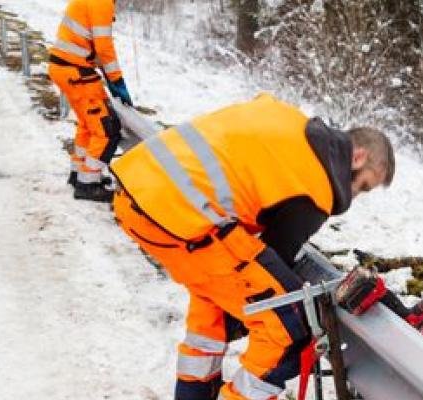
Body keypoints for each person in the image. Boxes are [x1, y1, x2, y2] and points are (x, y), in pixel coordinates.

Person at [110, 93, 395, 400]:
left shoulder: (289, 120)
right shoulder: (318, 185)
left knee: (216, 300)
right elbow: (275, 256)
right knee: (290, 326)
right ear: (358, 157)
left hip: (140, 191)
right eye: (362, 186)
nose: (354, 197)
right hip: (183, 216)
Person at [48, 0, 132, 203]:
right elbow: (104, 47)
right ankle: (88, 184)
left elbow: (92, 42)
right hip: (75, 71)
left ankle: (78, 175)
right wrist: (116, 80)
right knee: (107, 128)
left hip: (64, 68)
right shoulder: (101, 3)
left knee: (89, 125)